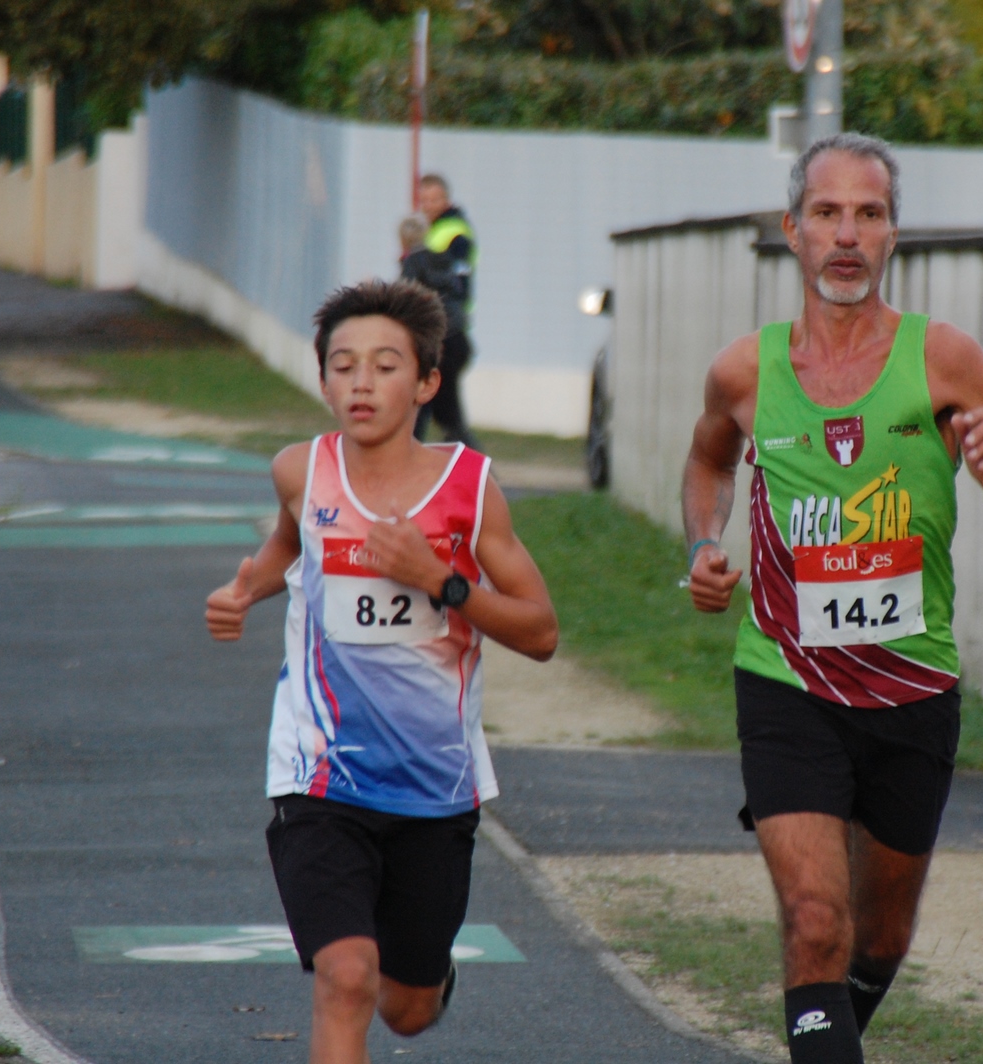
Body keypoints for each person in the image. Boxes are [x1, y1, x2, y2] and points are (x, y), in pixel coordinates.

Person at [681, 133, 983, 1064]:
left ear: (895, 234)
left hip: (913, 691)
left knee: (880, 937)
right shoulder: (744, 372)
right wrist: (705, 543)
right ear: (792, 231)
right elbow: (708, 464)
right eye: (827, 213)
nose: (847, 235)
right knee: (816, 922)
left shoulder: (947, 361)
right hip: (786, 682)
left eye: (869, 214)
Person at [204, 279, 558, 1064]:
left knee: (405, 1008)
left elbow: (541, 632)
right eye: (344, 365)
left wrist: (440, 580)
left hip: (434, 783)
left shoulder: (469, 489)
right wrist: (245, 591)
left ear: (427, 382)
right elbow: (289, 543)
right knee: (346, 978)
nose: (361, 383)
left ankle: (430, 979)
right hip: (319, 774)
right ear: (323, 380)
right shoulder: (301, 472)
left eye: (385, 366)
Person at [400, 173, 479, 449]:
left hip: (446, 333)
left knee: (437, 409)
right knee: (439, 409)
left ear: (446, 199)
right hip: (444, 333)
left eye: (434, 200)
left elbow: (456, 283)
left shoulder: (455, 234)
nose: (429, 206)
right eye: (424, 200)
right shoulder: (432, 232)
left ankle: (473, 464)